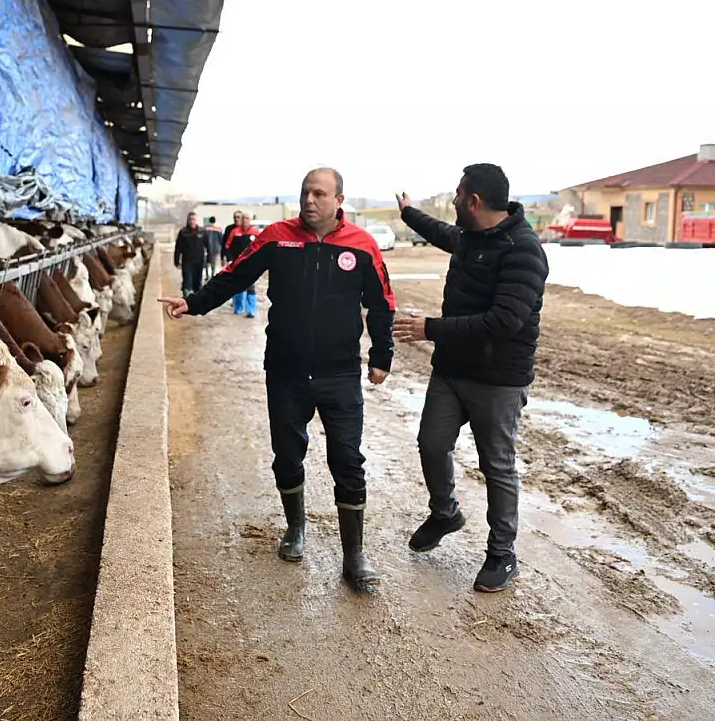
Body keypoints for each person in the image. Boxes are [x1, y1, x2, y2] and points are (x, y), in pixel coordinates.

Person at [159, 168, 396, 593]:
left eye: (319, 194)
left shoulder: (362, 246)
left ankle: (355, 553)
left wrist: (382, 356)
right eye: (305, 192)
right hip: (285, 372)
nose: (309, 200)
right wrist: (193, 303)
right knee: (287, 455)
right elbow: (235, 275)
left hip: (340, 374)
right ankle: (295, 528)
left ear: (339, 200)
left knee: (347, 459)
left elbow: (382, 303)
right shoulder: (277, 237)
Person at [393, 163, 549, 593]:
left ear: (474, 200)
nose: (455, 200)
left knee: (496, 466)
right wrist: (409, 213)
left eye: (458, 194)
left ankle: (502, 554)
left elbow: (505, 320)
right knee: (431, 443)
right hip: (452, 371)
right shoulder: (470, 237)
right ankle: (445, 513)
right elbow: (444, 231)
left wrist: (431, 328)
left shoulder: (524, 249)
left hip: (499, 379)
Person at [223, 212, 262, 316]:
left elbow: (261, 247)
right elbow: (227, 246)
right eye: (243, 218)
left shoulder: (255, 232)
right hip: (237, 263)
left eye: (247, 218)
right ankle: (238, 308)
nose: (245, 220)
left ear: (250, 220)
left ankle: (251, 310)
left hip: (251, 264)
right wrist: (230, 259)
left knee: (251, 286)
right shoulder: (235, 232)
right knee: (238, 285)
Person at [174, 212, 209, 297]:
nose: (192, 221)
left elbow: (208, 247)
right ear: (188, 220)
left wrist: (208, 260)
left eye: (194, 219)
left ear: (196, 220)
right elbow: (178, 248)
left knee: (197, 282)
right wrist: (176, 261)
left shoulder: (202, 231)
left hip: (199, 261)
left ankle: (197, 302)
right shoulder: (183, 232)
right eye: (190, 219)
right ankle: (187, 300)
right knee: (187, 282)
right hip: (187, 261)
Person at [203, 216, 224, 282]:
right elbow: (221, 239)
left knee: (206, 262)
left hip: (207, 247)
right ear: (215, 221)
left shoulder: (206, 228)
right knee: (213, 262)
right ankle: (212, 275)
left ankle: (207, 275)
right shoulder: (219, 229)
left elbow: (203, 237)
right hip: (216, 248)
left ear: (209, 221)